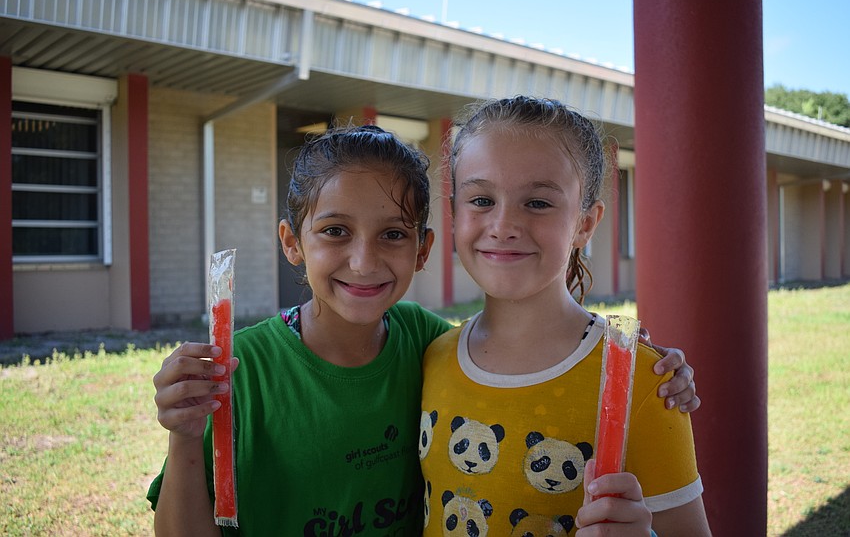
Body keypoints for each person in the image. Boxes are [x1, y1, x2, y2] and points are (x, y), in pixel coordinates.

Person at [147, 124, 699, 536]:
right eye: (335, 231)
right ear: (293, 242)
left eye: (392, 234)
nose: (363, 262)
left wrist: (659, 372)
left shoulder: (427, 345)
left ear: (423, 248)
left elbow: (523, 352)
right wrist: (184, 434)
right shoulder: (239, 371)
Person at [419, 96, 712, 536]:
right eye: (481, 199)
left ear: (585, 224)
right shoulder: (430, 358)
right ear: (454, 212)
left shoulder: (646, 384)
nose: (503, 225)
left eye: (537, 203)